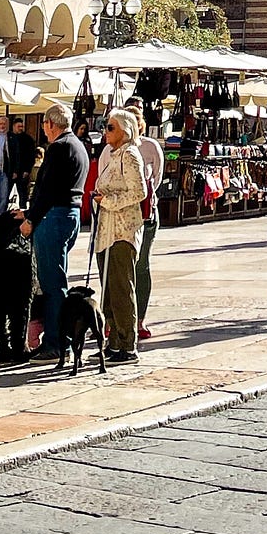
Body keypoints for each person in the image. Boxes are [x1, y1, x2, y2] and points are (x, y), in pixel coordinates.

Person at [19, 103, 89, 359]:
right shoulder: (78, 145)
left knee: (52, 283)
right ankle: (57, 339)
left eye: (44, 125)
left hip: (53, 216)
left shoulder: (59, 147)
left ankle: (56, 342)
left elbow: (47, 190)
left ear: (50, 123)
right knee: (56, 276)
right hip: (69, 215)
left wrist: (31, 219)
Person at [92, 109, 146, 363]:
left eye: (111, 127)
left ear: (125, 130)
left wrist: (109, 201)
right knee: (109, 290)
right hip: (106, 230)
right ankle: (113, 341)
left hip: (123, 230)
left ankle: (127, 342)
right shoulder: (113, 155)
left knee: (122, 287)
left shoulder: (130, 154)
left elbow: (139, 192)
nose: (106, 131)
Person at [122, 98, 164, 340]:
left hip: (146, 215)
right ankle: (117, 317)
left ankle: (139, 319)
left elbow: (155, 180)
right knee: (119, 267)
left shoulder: (150, 147)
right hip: (119, 216)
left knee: (141, 265)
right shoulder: (111, 148)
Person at [7, 117, 38, 207]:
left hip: (22, 171)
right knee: (6, 194)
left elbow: (31, 156)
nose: (20, 128)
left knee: (23, 195)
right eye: (18, 126)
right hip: (10, 171)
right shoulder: (8, 137)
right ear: (13, 126)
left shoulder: (28, 139)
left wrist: (27, 170)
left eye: (22, 126)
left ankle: (23, 211)